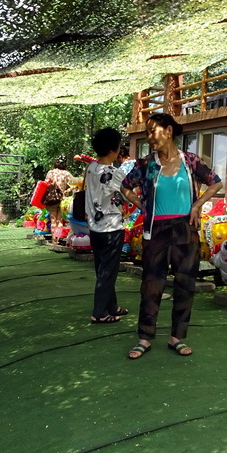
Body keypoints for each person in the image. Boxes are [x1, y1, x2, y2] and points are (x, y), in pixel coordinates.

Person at [120, 113, 223, 359]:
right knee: (151, 285)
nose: (149, 137)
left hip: (185, 228)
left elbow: (216, 183)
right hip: (155, 230)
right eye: (146, 133)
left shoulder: (190, 161)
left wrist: (197, 205)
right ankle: (144, 337)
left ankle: (177, 336)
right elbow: (124, 185)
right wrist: (141, 204)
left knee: (185, 283)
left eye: (152, 131)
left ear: (168, 131)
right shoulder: (146, 164)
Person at [85, 128, 130, 324]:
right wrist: (146, 207)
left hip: (94, 226)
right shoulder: (114, 172)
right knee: (108, 272)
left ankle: (111, 306)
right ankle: (100, 312)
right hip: (112, 228)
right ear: (114, 149)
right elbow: (129, 194)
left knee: (102, 269)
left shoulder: (91, 169)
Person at [43, 156, 74, 236]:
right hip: (62, 199)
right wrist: (67, 190)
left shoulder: (51, 172)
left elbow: (45, 184)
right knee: (59, 221)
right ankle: (58, 237)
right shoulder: (67, 173)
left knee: (53, 220)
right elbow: (75, 184)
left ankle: (54, 240)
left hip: (52, 198)